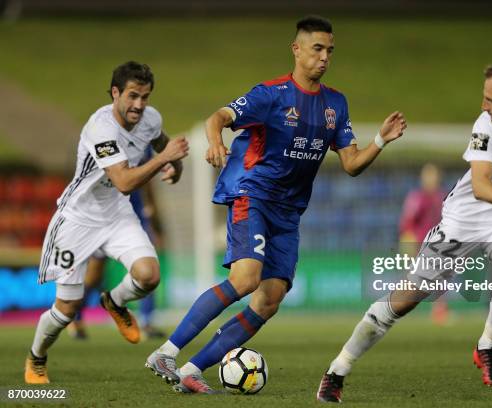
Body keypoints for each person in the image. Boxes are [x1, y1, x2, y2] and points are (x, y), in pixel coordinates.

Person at [317, 61, 492, 402]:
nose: (483, 106)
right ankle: (338, 369)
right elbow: (482, 186)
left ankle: (486, 345)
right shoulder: (488, 125)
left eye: (491, 100)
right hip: (466, 216)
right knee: (406, 298)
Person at [145, 15, 407, 394]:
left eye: (329, 50)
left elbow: (351, 164)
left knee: (269, 300)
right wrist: (215, 138)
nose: (324, 57)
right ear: (296, 49)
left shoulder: (335, 104)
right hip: (253, 194)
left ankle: (191, 369)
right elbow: (217, 116)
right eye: (317, 48)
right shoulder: (271, 95)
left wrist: (380, 141)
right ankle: (166, 351)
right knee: (246, 278)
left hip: (288, 212)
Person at [25, 61, 189, 384]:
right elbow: (126, 180)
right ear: (115, 93)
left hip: (116, 214)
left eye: (145, 97)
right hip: (77, 220)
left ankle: (114, 301)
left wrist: (174, 167)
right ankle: (36, 358)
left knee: (149, 275)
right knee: (66, 310)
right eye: (132, 96)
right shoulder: (101, 127)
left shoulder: (150, 119)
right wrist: (163, 160)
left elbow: (161, 145)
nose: (139, 105)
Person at [67, 148, 166, 340]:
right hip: (103, 217)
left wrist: (154, 218)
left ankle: (146, 321)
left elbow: (148, 182)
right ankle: (76, 318)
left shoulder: (143, 142)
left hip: (134, 217)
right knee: (94, 274)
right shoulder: (101, 139)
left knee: (147, 266)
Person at [398, 163, 448, 325]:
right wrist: (408, 242)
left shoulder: (443, 196)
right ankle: (399, 307)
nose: (431, 179)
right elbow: (407, 222)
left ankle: (439, 310)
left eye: (433, 175)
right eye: (428, 175)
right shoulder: (416, 197)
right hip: (418, 243)